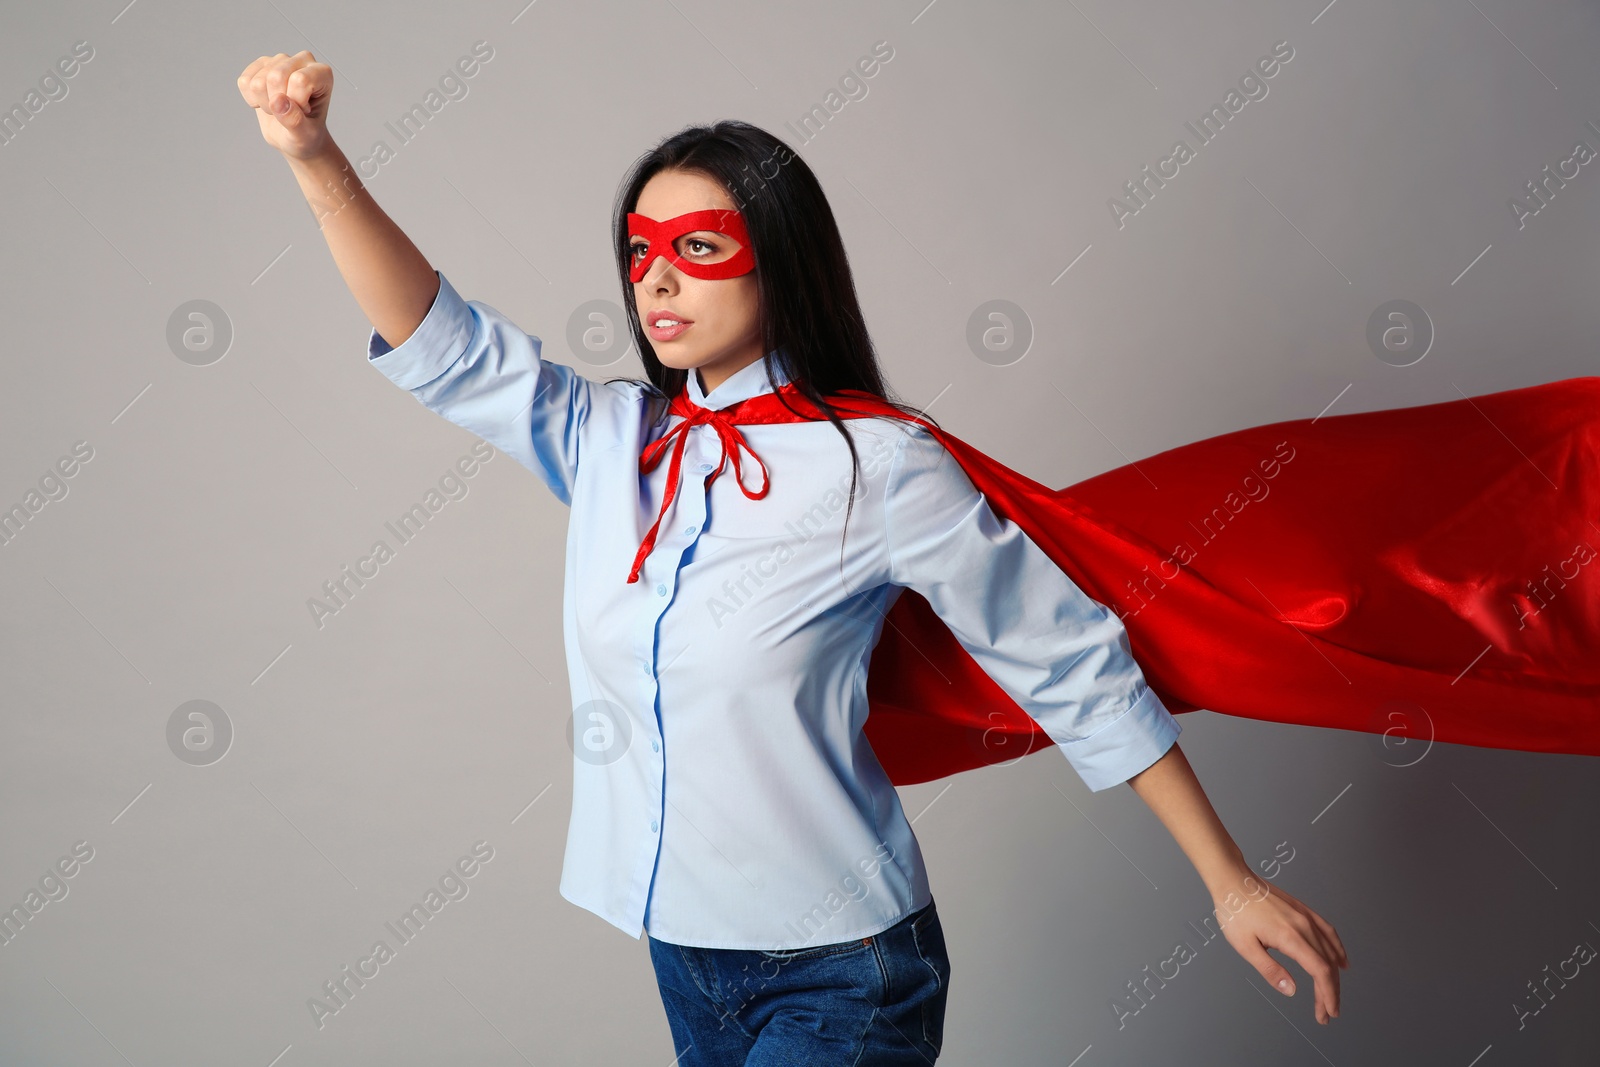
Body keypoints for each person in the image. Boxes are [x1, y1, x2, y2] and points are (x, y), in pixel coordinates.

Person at [239, 50, 1349, 1064]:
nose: (656, 280)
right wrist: (315, 157)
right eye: (639, 251)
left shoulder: (880, 463)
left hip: (845, 971)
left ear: (780, 263)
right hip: (683, 953)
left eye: (699, 248)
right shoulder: (614, 444)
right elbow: (444, 343)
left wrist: (1230, 879)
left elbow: (1062, 657)